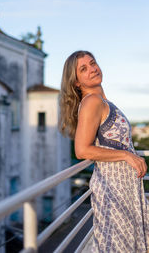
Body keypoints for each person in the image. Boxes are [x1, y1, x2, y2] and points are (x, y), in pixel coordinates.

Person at [58, 50, 149, 253]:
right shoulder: (92, 102)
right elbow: (82, 150)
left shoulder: (104, 102)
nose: (92, 69)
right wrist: (127, 155)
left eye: (93, 63)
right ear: (76, 82)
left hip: (125, 188)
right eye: (84, 69)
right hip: (113, 191)